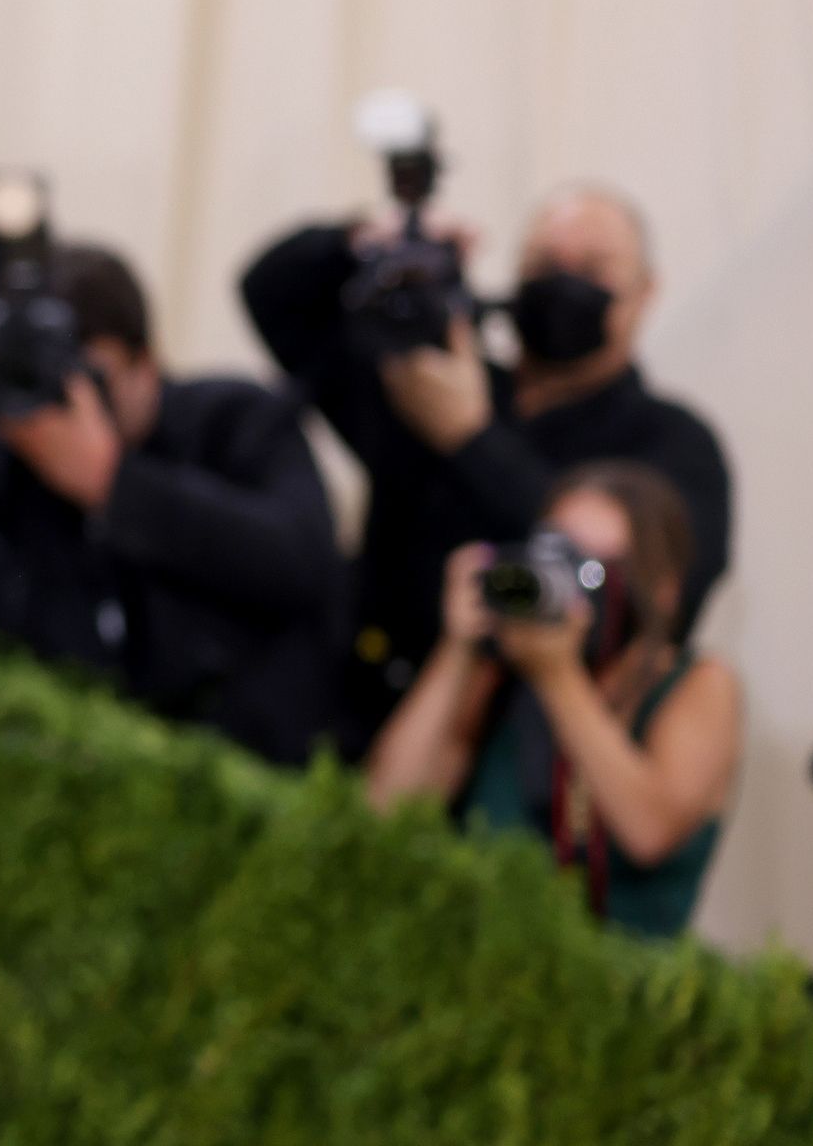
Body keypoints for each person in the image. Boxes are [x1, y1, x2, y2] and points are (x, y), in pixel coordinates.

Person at [244, 182, 732, 752]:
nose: (564, 282)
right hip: (351, 710)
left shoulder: (672, 442)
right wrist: (371, 241)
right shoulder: (428, 384)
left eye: (593, 268)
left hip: (520, 750)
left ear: (644, 291)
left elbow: (654, 598)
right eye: (545, 264)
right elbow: (273, 295)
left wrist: (471, 442)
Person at [0, 243, 342, 766]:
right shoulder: (4, 460)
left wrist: (112, 483)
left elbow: (301, 561)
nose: (67, 407)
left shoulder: (235, 419)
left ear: (146, 364)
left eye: (89, 379)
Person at [367, 462, 741, 938]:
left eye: (593, 569)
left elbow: (649, 832)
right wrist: (458, 647)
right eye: (554, 555)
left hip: (616, 972)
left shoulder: (699, 684)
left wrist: (558, 678)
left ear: (662, 591)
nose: (567, 581)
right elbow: (385, 807)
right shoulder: (505, 668)